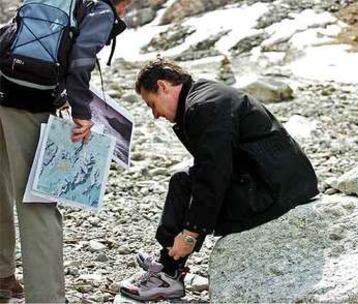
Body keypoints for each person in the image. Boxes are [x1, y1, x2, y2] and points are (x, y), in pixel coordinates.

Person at [120, 58, 319, 301]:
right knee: (182, 180)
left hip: (274, 192)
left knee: (191, 184)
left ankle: (168, 271)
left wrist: (191, 234)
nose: (155, 115)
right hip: (276, 181)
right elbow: (212, 168)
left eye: (152, 105)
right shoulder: (204, 95)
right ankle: (167, 265)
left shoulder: (203, 107)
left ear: (163, 86)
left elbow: (214, 175)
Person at [0, 0, 131, 302]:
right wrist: (82, 111)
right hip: (25, 103)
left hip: (4, 84)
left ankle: (3, 275)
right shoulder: (101, 9)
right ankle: (47, 298)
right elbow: (81, 59)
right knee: (37, 203)